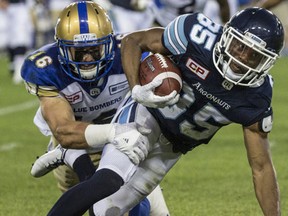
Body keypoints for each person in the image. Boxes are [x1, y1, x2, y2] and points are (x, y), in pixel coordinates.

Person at [33, 6, 283, 216]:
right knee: (107, 181)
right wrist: (136, 90)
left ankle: (72, 156)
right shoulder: (195, 34)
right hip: (147, 113)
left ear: (268, 63)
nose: (241, 59)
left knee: (105, 211)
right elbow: (134, 40)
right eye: (239, 46)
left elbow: (261, 167)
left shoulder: (257, 98)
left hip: (171, 147)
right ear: (226, 35)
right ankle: (73, 154)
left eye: (254, 56)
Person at [21, 1, 170, 215]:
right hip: (77, 143)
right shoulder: (46, 68)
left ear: (109, 44)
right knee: (86, 199)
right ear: (61, 49)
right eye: (79, 52)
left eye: (94, 50)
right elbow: (64, 130)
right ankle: (65, 155)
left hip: (127, 140)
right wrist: (111, 133)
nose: (88, 59)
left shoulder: (127, 53)